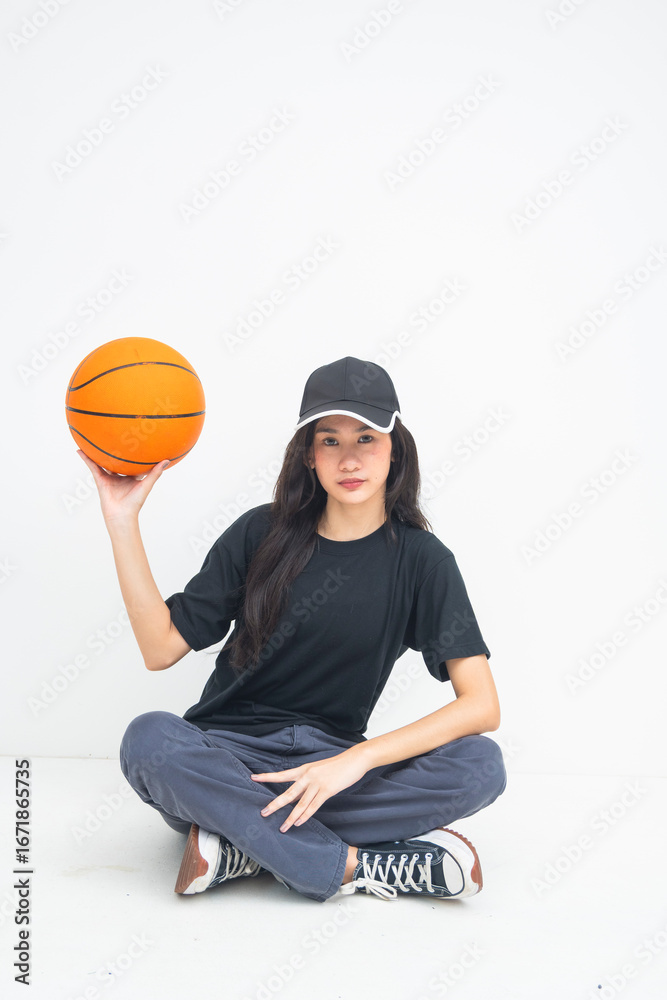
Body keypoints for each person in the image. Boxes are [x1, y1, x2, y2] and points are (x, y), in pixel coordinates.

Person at [79, 356, 506, 904]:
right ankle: (348, 864)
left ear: (395, 447)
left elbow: (481, 706)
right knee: (148, 740)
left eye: (367, 438)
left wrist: (354, 761)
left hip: (329, 774)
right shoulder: (261, 531)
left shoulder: (423, 561)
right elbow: (159, 649)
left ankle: (240, 844)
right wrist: (122, 521)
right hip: (226, 759)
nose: (348, 458)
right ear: (309, 453)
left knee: (480, 765)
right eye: (330, 440)